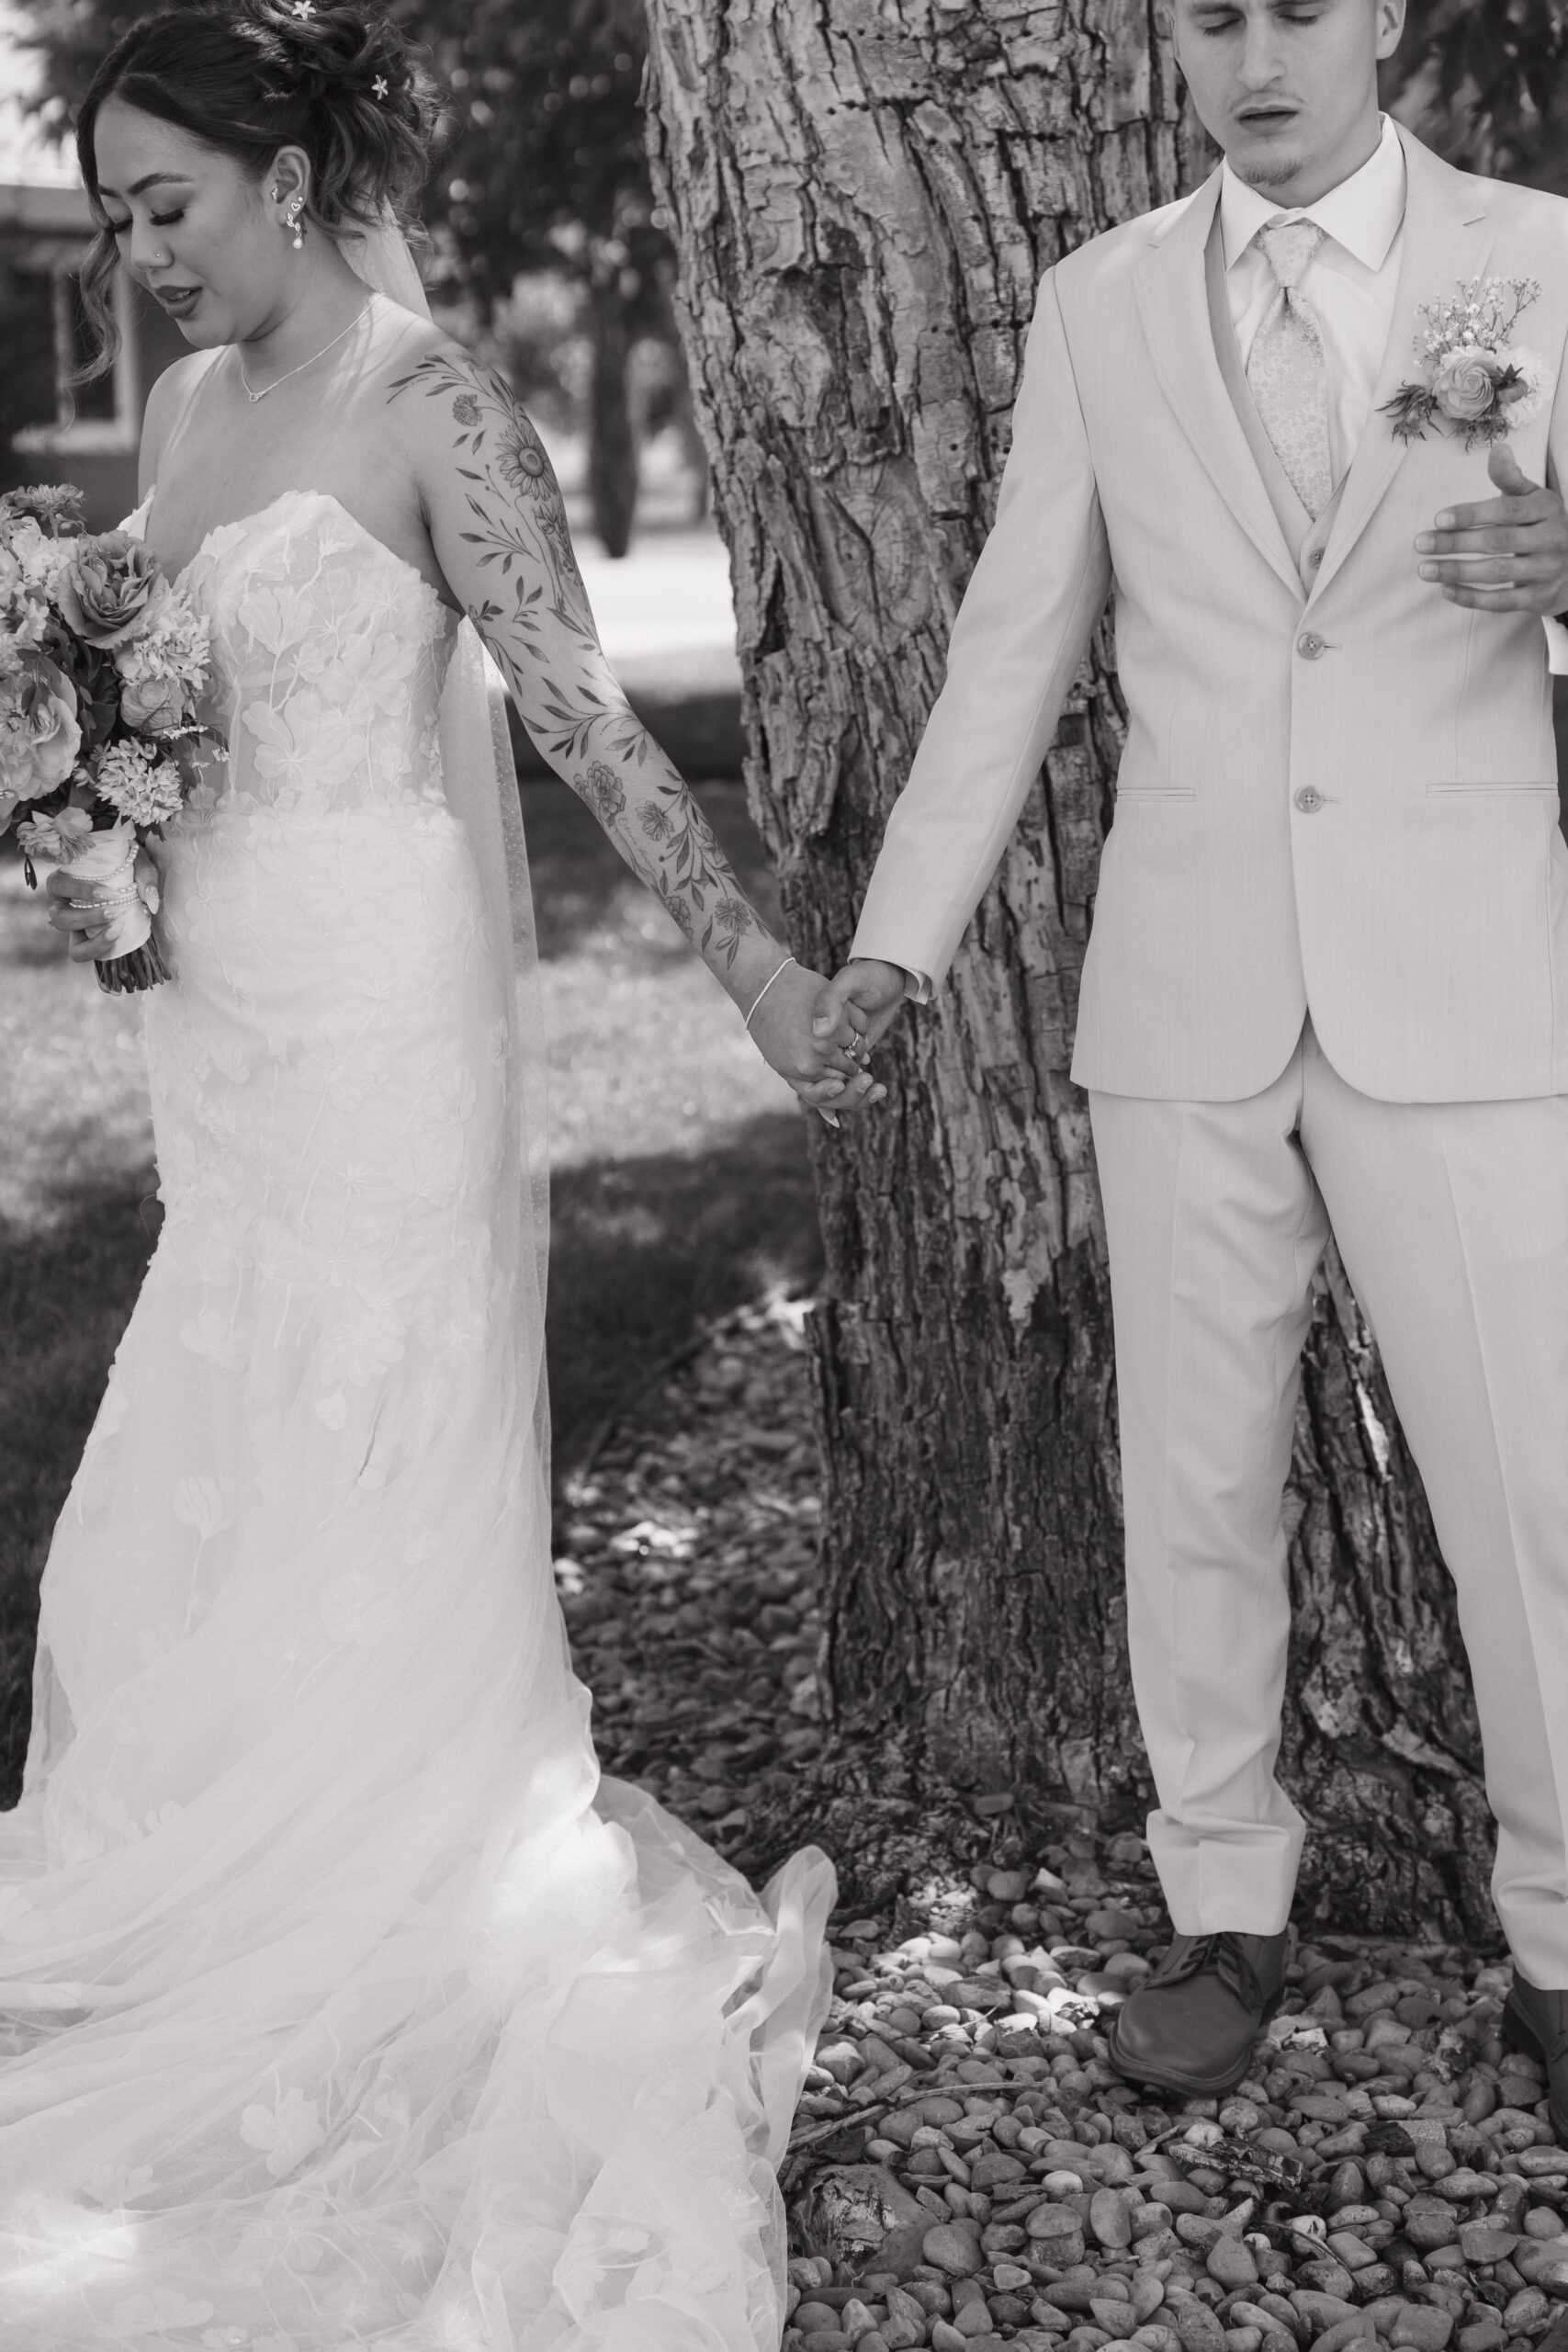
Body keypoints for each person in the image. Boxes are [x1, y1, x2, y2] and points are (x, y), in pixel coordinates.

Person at [2, 3, 875, 2340]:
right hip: (221, 1027)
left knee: (374, 1440)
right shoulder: (182, 416)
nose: (143, 260)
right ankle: (209, 1873)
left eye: (164, 208)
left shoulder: (433, 400)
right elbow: (153, 703)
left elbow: (579, 711)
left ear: (286, 173)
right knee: (225, 1429)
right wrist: (98, 847)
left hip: (385, 1021)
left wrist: (769, 989)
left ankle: (390, 1893)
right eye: (109, 222)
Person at [816, 0, 1568, 2118]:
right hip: (1187, 988)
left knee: (1531, 1488)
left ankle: (1560, 1935)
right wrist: (897, 940)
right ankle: (1221, 1904)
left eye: (1296, 8)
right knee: (1195, 1480)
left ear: (1385, 18)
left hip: (1466, 985)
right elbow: (1011, 637)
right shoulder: (1100, 304)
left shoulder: (1539, 257)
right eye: (1207, 14)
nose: (1251, 55)